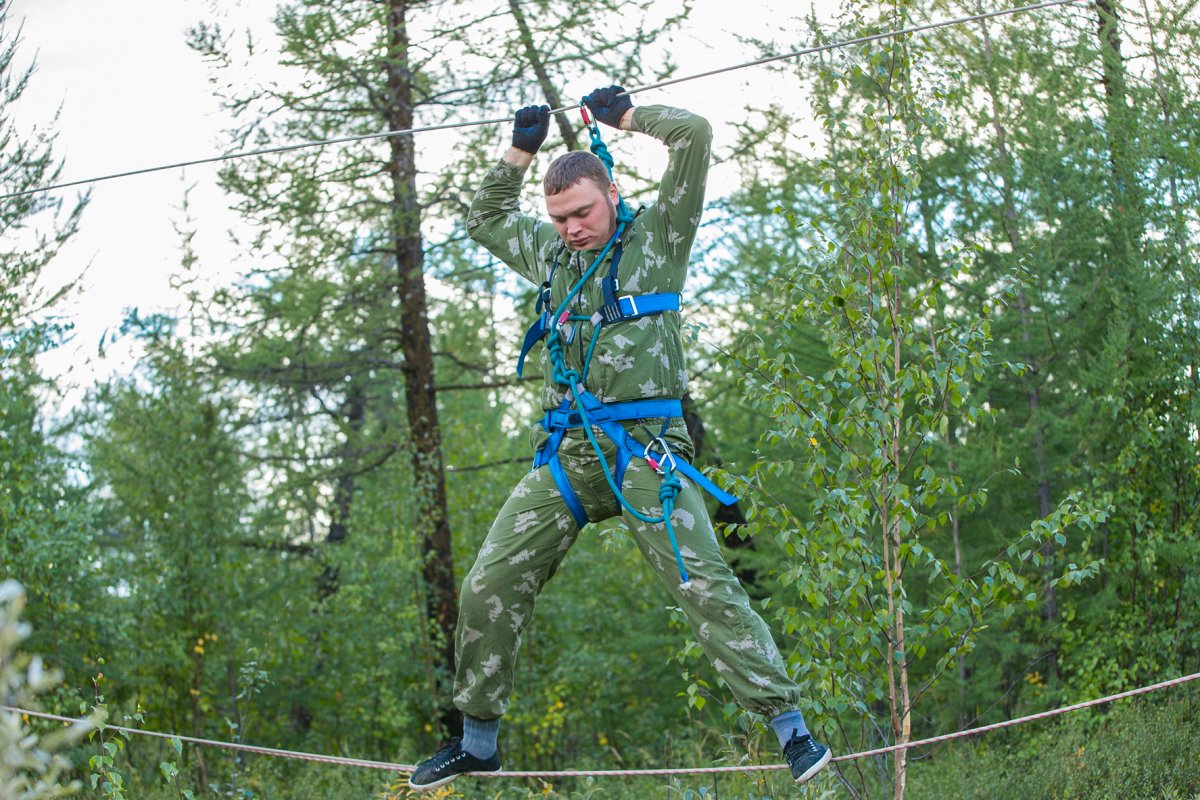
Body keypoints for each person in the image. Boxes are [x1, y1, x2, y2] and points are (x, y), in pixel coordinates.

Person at [408, 86, 831, 792]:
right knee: (490, 580)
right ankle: (477, 738)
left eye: (583, 212)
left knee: (701, 580)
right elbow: (484, 218)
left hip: (645, 452)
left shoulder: (659, 240)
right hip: (572, 458)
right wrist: (519, 152)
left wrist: (630, 119)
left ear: (610, 192)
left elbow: (693, 134)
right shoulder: (551, 256)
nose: (571, 227)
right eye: (560, 218)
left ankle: (789, 729)